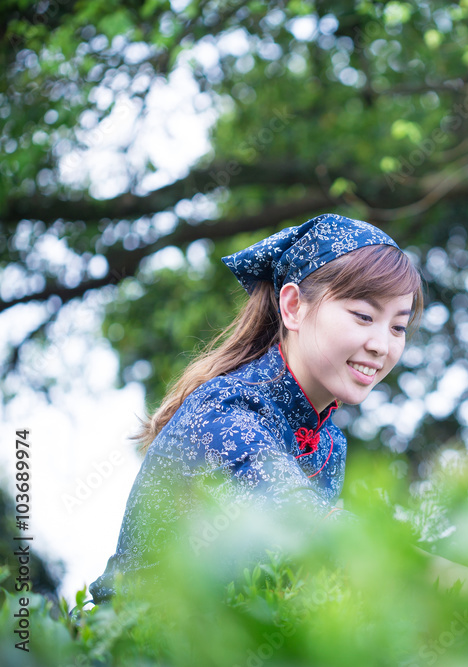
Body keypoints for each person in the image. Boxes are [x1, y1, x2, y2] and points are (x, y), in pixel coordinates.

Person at [90, 213, 423, 603]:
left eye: (398, 327)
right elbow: (316, 529)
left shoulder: (329, 442)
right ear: (294, 306)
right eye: (364, 316)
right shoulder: (224, 411)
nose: (382, 345)